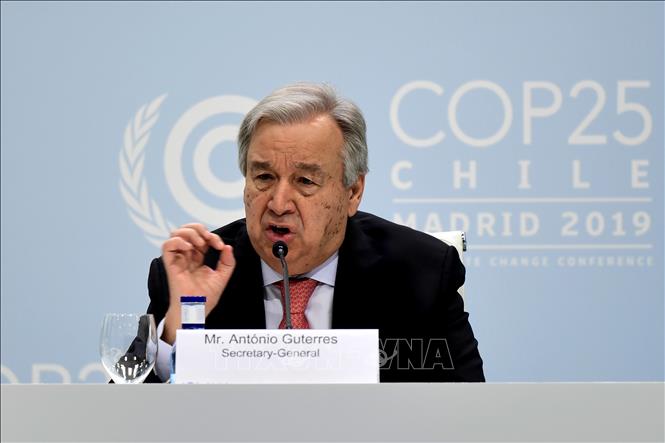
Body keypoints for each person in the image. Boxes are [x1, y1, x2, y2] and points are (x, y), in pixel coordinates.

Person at [145, 82, 484, 382]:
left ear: (353, 192)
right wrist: (181, 323)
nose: (279, 203)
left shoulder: (420, 272)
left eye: (305, 181)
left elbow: (467, 412)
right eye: (263, 178)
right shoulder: (198, 271)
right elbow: (132, 413)